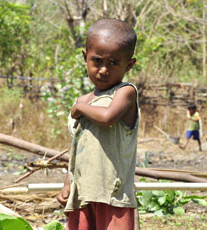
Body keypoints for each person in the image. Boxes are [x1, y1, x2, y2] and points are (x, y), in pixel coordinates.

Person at [56, 18, 139, 230]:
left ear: (129, 64)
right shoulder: (83, 101)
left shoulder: (125, 93)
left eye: (113, 63)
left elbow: (108, 117)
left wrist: (79, 109)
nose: (103, 70)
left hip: (113, 194)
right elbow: (77, 148)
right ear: (85, 58)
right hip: (83, 193)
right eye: (97, 61)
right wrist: (68, 184)